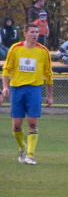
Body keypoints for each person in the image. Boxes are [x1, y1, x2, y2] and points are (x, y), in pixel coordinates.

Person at [1, 23, 53, 165]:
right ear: (25, 33)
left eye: (37, 32)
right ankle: (22, 147)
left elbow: (48, 74)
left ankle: (30, 155)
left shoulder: (43, 51)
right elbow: (6, 70)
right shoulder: (15, 49)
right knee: (17, 126)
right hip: (17, 89)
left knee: (32, 122)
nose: (35, 34)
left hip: (34, 89)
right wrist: (5, 87)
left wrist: (50, 95)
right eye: (32, 32)